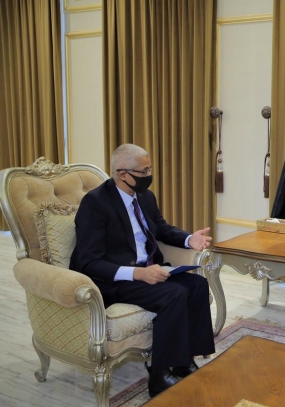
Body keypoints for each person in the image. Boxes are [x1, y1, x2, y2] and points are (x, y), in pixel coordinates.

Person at [69, 143, 215, 398]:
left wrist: (188, 239)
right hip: (114, 279)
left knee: (198, 285)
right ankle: (158, 374)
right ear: (123, 174)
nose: (149, 176)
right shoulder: (95, 203)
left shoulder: (145, 197)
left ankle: (184, 362)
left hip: (147, 269)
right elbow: (89, 262)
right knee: (174, 294)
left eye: (150, 169)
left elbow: (162, 228)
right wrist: (138, 274)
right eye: (144, 171)